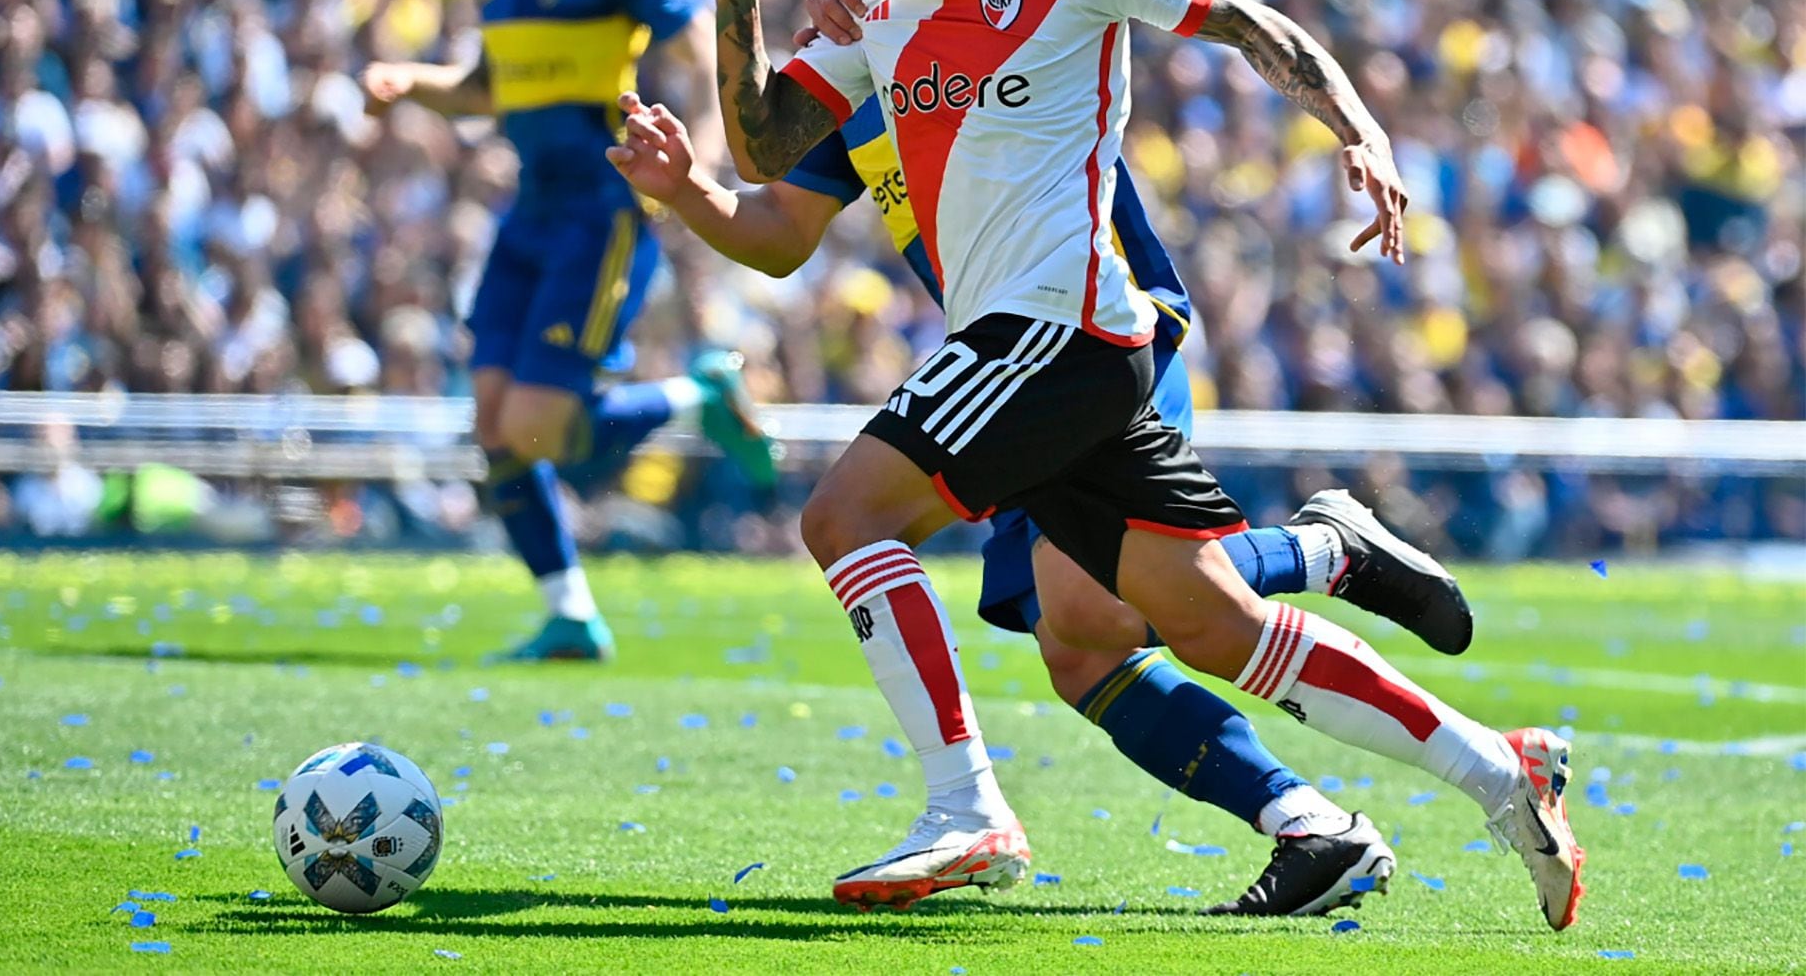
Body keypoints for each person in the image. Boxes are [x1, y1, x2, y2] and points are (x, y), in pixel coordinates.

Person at [650, 0, 1583, 929]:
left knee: (846, 518)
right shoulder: (874, 13)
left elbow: (1247, 22)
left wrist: (1359, 129)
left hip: (1063, 327)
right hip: (1043, 351)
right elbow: (761, 154)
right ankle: (1503, 772)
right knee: (1202, 626)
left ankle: (968, 808)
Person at [610, 81, 1488, 915]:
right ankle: (1309, 821)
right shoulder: (861, 74)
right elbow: (775, 213)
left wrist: (1352, 124)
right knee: (1081, 652)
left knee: (1080, 603)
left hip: (1104, 335)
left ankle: (1321, 569)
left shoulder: (982, 13)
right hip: (1005, 363)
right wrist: (695, 165)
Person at [361, 0, 776, 662]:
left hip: (600, 210)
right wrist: (408, 82)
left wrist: (693, 157)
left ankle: (697, 396)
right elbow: (483, 88)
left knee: (538, 430)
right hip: (530, 211)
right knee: (492, 427)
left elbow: (695, 39)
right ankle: (571, 613)